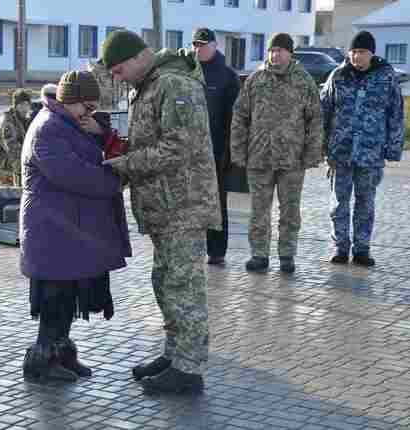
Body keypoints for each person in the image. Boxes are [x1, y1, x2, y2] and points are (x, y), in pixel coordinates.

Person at [101, 30, 220, 394]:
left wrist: (123, 166)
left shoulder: (175, 85)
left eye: (119, 70)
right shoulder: (151, 85)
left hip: (184, 205)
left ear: (138, 57)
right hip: (166, 206)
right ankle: (175, 353)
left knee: (184, 287)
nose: (118, 78)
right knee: (166, 283)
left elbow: (177, 149)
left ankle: (189, 369)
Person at [19, 71, 131, 382]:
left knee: (68, 295)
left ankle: (62, 353)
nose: (90, 113)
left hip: (67, 227)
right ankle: (41, 360)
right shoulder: (48, 129)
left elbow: (96, 152)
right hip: (52, 229)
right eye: (87, 107)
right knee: (54, 297)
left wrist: (101, 131)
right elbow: (76, 174)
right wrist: (119, 177)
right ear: (70, 102)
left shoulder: (68, 123)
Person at [231, 33, 323, 274]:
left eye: (281, 50)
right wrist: (239, 151)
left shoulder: (303, 81)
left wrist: (312, 153)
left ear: (290, 53)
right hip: (259, 158)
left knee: (290, 211)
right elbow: (240, 117)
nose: (276, 54)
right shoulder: (255, 79)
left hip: (292, 160)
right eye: (272, 50)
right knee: (258, 210)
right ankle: (259, 254)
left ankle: (287, 255)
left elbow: (315, 120)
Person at [321, 31, 405, 266]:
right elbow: (324, 111)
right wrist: (321, 145)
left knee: (365, 202)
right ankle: (340, 248)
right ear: (349, 53)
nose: (357, 57)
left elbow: (396, 114)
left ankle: (362, 249)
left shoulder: (386, 77)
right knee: (339, 202)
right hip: (341, 152)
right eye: (354, 52)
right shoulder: (337, 76)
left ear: (372, 53)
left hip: (371, 153)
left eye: (362, 52)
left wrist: (393, 148)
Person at [183, 28, 240, 265]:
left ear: (215, 46)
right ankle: (191, 247)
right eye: (195, 44)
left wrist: (229, 151)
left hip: (216, 150)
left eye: (203, 44)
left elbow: (235, 118)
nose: (199, 49)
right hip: (188, 151)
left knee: (216, 203)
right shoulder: (186, 73)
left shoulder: (227, 76)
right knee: (188, 201)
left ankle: (216, 250)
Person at [0, 89, 31, 186]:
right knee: (28, 167)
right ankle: (21, 194)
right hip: (2, 158)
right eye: (22, 105)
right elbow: (11, 147)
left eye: (27, 105)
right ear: (16, 106)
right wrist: (28, 159)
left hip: (15, 155)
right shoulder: (6, 121)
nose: (25, 108)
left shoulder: (23, 119)